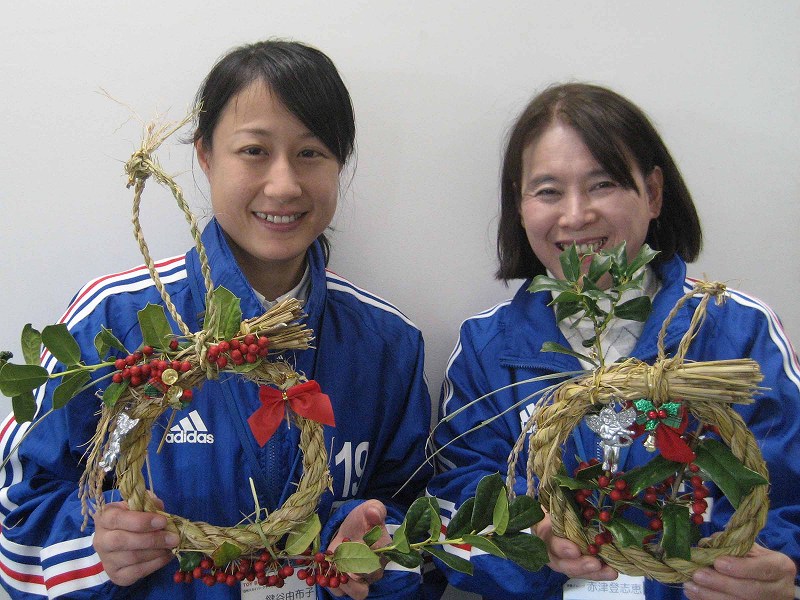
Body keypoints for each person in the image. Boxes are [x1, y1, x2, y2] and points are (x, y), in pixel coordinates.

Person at [0, 39, 433, 599]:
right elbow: (15, 514)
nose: (284, 184)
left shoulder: (386, 343)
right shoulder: (112, 320)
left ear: (340, 162)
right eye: (254, 150)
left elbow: (420, 521)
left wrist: (375, 550)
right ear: (205, 155)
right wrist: (96, 549)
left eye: (311, 152)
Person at [426, 83, 799, 599]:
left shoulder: (738, 331)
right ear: (520, 205)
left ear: (654, 193)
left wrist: (784, 574)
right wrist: (528, 543)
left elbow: (789, 497)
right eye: (548, 191)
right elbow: (454, 499)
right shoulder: (486, 348)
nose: (576, 215)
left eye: (602, 184)